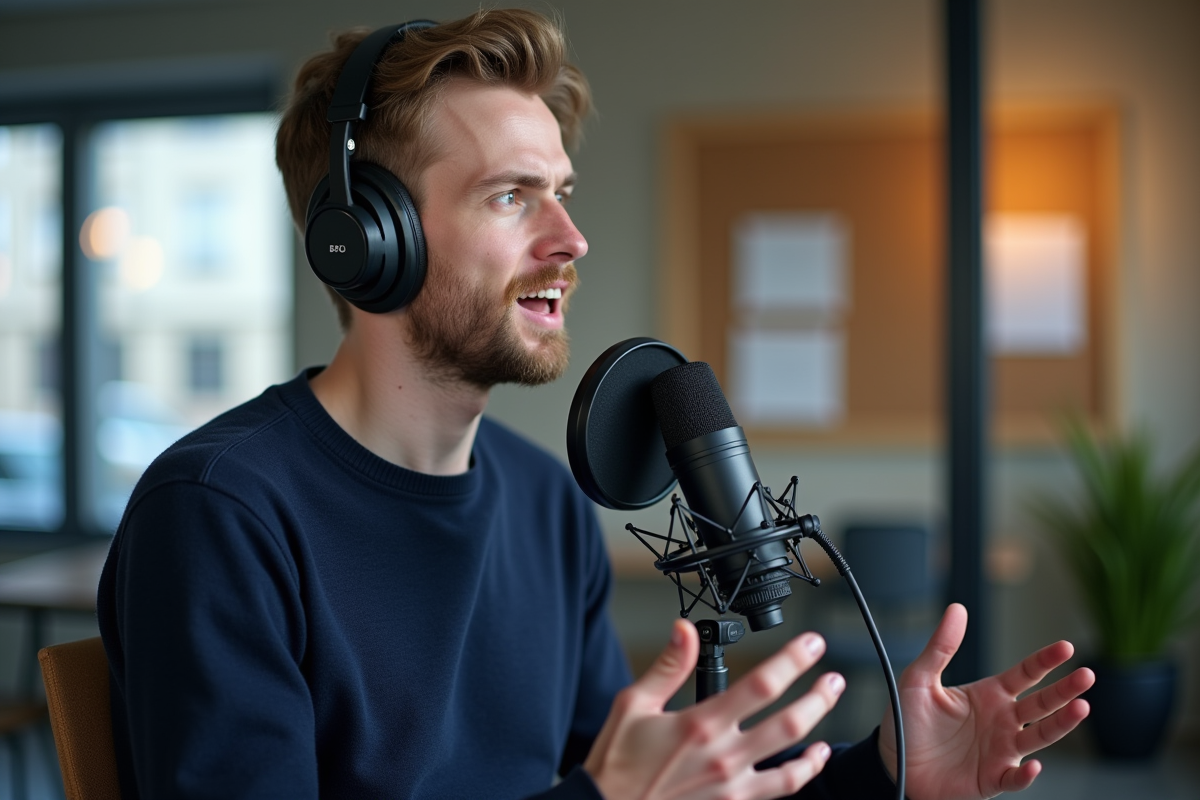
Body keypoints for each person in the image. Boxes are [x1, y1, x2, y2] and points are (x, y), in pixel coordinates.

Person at [96, 9, 1094, 799]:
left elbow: (648, 785)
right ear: (365, 238)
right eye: (509, 194)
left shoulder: (542, 502)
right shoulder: (222, 512)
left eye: (563, 190)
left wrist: (877, 770)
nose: (571, 237)